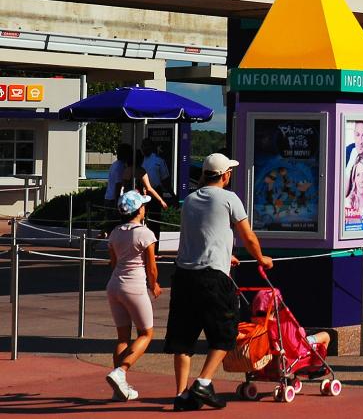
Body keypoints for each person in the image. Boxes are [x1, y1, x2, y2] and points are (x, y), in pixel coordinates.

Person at [165, 153, 273, 411]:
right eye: (230, 173)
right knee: (226, 333)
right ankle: (203, 382)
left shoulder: (190, 200)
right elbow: (248, 236)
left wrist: (227, 254)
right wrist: (261, 258)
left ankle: (181, 395)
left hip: (184, 276)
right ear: (225, 175)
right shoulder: (229, 198)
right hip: (212, 278)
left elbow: (201, 235)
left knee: (183, 339)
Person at [104, 190, 161, 402]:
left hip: (114, 285)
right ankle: (121, 372)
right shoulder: (145, 233)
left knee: (122, 337)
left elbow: (113, 261)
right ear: (139, 210)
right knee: (146, 333)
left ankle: (119, 385)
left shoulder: (115, 232)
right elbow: (151, 267)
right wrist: (154, 284)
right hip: (134, 286)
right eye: (143, 205)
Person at [137, 139, 171, 251]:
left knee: (154, 223)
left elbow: (165, 180)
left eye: (146, 146)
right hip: (140, 193)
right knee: (139, 221)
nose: (144, 148)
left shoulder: (159, 161)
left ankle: (154, 249)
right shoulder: (139, 160)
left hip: (155, 192)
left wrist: (172, 195)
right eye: (143, 146)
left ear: (151, 147)